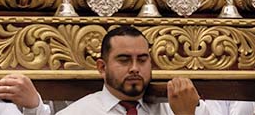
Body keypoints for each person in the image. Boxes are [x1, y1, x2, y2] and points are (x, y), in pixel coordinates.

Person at [59, 25, 207, 115]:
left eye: (142, 60)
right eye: (124, 60)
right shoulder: (76, 113)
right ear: (102, 67)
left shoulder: (185, 108)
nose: (135, 68)